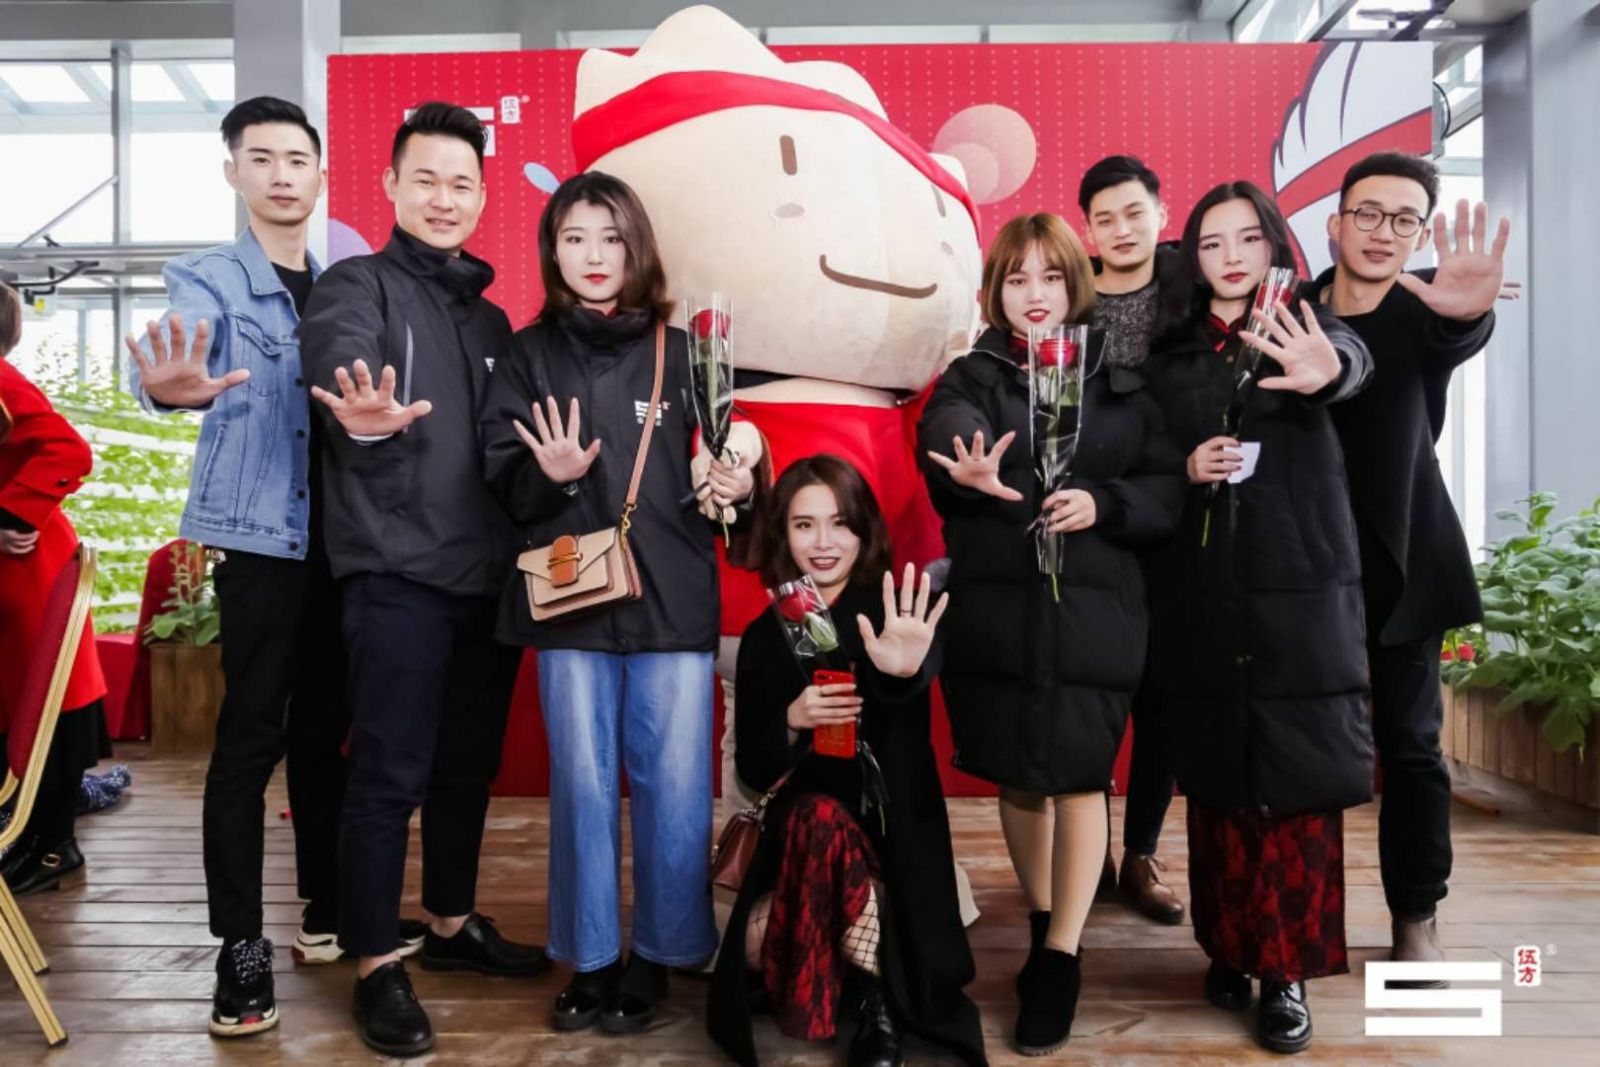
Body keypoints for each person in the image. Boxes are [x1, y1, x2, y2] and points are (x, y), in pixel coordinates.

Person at [126, 96, 421, 1039]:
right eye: (261, 158)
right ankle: (239, 946)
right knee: (251, 737)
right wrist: (167, 391)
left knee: (328, 730)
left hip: (346, 542)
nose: (282, 174)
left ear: (322, 174)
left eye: (297, 159)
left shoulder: (343, 285)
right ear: (234, 173)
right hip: (260, 541)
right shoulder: (209, 277)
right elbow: (174, 357)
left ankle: (326, 910)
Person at [481, 171, 762, 1037]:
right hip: (571, 598)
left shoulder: (690, 350)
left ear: (638, 246)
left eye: (611, 236)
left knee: (675, 784)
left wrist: (737, 483)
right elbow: (501, 475)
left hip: (672, 598)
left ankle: (659, 953)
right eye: (575, 237)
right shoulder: (528, 354)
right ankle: (594, 953)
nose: (594, 254)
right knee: (583, 780)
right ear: (552, 251)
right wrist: (551, 476)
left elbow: (731, 470)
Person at [299, 102, 548, 1058]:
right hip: (397, 574)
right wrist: (357, 411)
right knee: (387, 774)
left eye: (462, 184)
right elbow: (341, 364)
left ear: (483, 197)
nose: (445, 199)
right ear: (392, 186)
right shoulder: (356, 285)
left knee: (465, 767)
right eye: (427, 180)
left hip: (488, 581)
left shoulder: (492, 318)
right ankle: (374, 960)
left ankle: (449, 921)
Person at [917, 213, 1185, 1055]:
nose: (1035, 294)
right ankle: (1042, 922)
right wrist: (967, 466)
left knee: (1078, 776)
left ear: (1077, 285)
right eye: (1017, 278)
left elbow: (1166, 489)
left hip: (1097, 612)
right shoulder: (973, 374)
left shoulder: (1122, 383)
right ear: (995, 291)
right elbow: (943, 432)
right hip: (996, 612)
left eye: (1051, 277)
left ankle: (1062, 955)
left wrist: (1104, 503)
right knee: (1018, 773)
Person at [1141, 181, 1374, 1054]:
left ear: (1275, 243)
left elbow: (1350, 360)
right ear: (1192, 258)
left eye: (1247, 238)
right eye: (1212, 243)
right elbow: (1144, 461)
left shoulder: (1306, 322)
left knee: (1296, 784)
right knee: (1219, 784)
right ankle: (1228, 946)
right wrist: (1183, 467)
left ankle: (1287, 972)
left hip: (1298, 589)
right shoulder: (1170, 353)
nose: (1231, 256)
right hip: (1202, 592)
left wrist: (1329, 369)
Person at [708, 454, 986, 1067]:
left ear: (864, 530)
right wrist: (790, 719)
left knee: (830, 825)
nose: (824, 542)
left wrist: (903, 672)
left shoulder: (891, 611)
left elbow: (907, 711)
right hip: (802, 843)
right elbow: (754, 771)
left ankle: (872, 997)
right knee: (817, 817)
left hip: (890, 839)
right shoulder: (767, 633)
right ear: (782, 534)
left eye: (839, 523)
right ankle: (864, 990)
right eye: (804, 525)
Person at [1312, 152, 1507, 977]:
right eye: (1368, 213)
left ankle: (1416, 914)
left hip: (1403, 566)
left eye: (1403, 220)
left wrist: (1470, 318)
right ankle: (1299, 919)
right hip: (1307, 572)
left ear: (1420, 235)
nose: (1383, 231)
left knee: (1414, 749)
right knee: (1305, 751)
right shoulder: (1292, 311)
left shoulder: (1427, 308)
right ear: (1336, 222)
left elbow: (1456, 330)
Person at [1076, 154, 1186, 924]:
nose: (1121, 230)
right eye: (1104, 218)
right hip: (1092, 517)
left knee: (1164, 700)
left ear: (1161, 213)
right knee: (1090, 695)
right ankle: (1089, 850)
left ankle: (1140, 851)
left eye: (1133, 213)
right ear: (1088, 228)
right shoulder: (1070, 294)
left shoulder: (1193, 286)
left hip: (1175, 513)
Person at [0, 282, 111, 898]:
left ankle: (51, 845)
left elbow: (69, 450)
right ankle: (35, 839)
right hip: (23, 568)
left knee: (43, 709)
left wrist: (10, 513)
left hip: (25, 568)